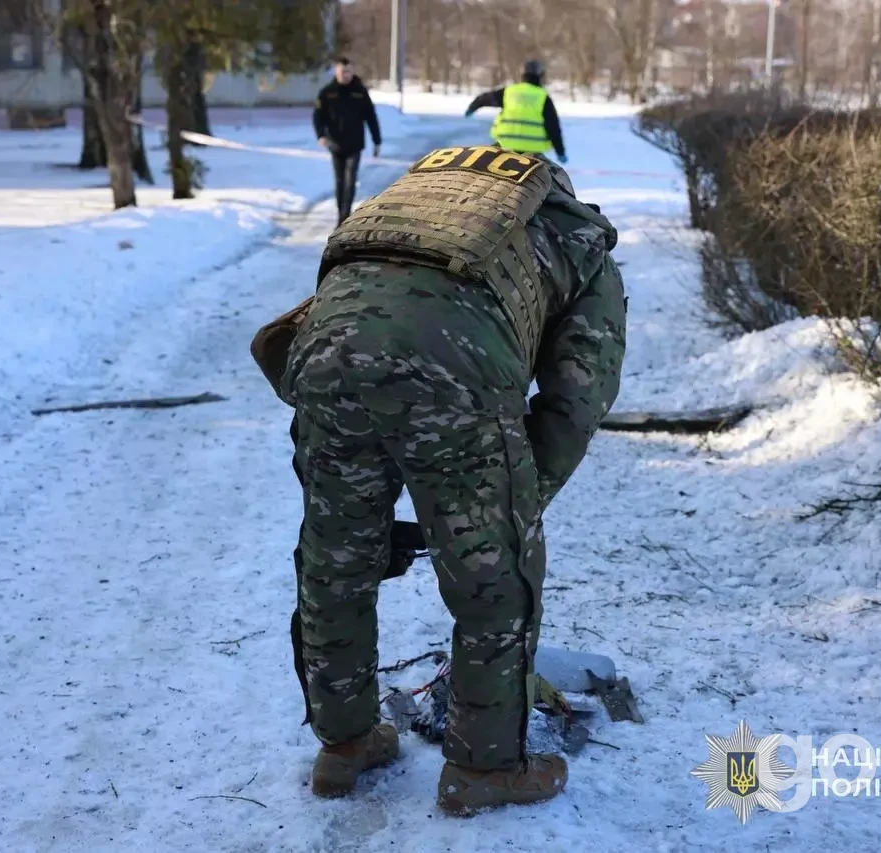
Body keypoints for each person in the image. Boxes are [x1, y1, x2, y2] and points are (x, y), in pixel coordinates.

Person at [257, 145, 625, 816]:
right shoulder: (578, 234)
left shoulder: (418, 194)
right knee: (492, 584)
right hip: (453, 365)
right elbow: (578, 393)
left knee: (335, 561)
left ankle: (345, 744)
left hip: (322, 354)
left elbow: (350, 287)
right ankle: (483, 769)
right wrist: (514, 507)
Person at [312, 57, 382, 225]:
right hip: (335, 144)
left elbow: (371, 117)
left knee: (350, 180)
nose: (345, 74)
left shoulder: (360, 92)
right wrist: (320, 135)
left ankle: (345, 216)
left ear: (352, 72)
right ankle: (340, 213)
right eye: (342, 71)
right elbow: (318, 116)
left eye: (348, 71)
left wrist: (377, 140)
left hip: (355, 144)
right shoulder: (327, 92)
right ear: (336, 71)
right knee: (339, 181)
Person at [465, 60, 567, 164]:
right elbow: (553, 126)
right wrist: (560, 152)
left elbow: (484, 99)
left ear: (522, 75)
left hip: (505, 144)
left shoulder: (509, 91)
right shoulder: (542, 97)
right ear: (540, 76)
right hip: (532, 150)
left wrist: (472, 108)